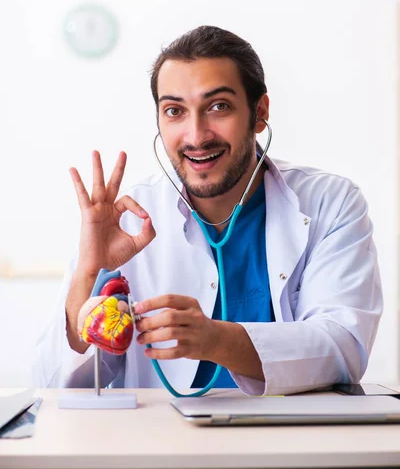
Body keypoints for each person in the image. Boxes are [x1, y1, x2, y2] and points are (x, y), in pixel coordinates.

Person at [34, 25, 383, 396]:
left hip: (292, 443)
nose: (197, 135)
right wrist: (88, 273)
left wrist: (215, 339)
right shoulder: (127, 218)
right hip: (159, 446)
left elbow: (343, 350)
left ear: (260, 112)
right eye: (174, 111)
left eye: (218, 106)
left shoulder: (330, 202)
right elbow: (55, 387)